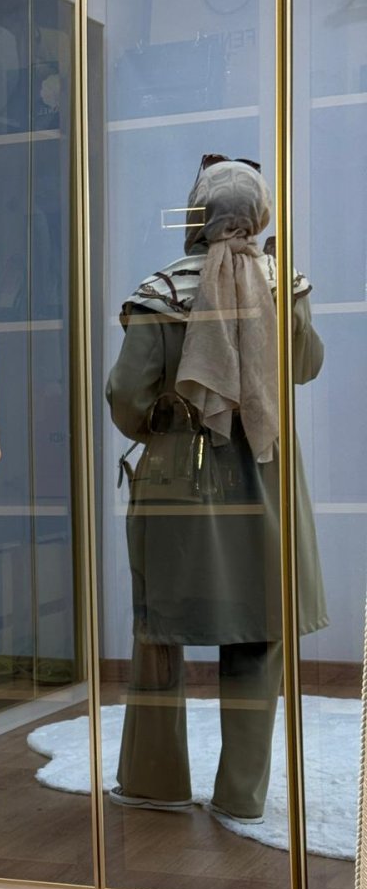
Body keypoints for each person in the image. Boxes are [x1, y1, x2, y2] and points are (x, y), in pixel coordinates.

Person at [106, 156, 327, 826]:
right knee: (260, 627)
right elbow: (306, 366)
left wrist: (167, 430)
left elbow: (126, 395)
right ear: (258, 214)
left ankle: (154, 782)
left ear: (196, 214)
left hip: (179, 477)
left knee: (158, 629)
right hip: (264, 470)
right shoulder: (283, 283)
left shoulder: (158, 290)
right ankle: (241, 796)